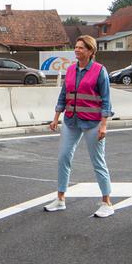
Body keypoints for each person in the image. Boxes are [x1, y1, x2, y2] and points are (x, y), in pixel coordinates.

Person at [45, 35, 115, 218]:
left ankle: (107, 202)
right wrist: (56, 118)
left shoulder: (99, 71)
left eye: (81, 47)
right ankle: (60, 199)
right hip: (71, 121)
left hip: (92, 122)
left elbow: (106, 100)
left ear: (90, 51)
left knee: (98, 161)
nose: (76, 50)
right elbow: (63, 95)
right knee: (63, 157)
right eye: (76, 47)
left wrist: (104, 125)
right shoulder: (70, 70)